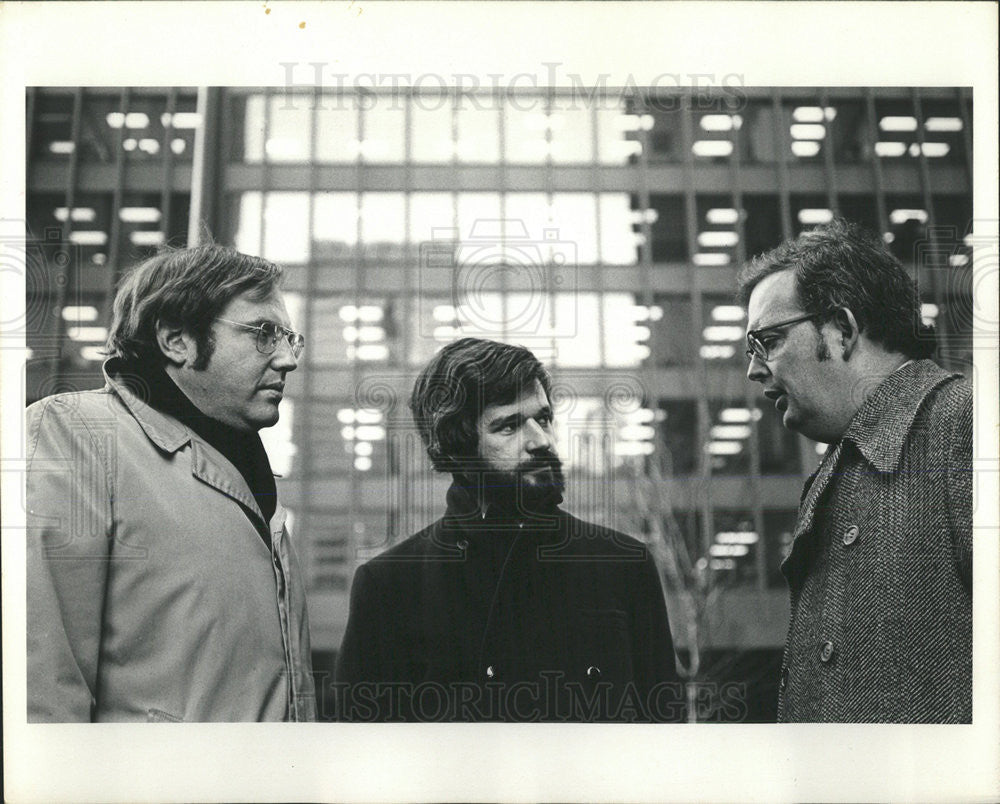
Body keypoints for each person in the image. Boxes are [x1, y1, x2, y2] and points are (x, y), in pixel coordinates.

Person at [26, 244, 316, 722]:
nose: (288, 359)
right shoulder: (77, 433)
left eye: (290, 338)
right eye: (264, 334)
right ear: (177, 340)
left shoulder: (250, 476)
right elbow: (39, 687)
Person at [335, 337, 683, 722]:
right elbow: (362, 759)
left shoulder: (623, 566)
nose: (541, 441)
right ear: (457, 448)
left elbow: (664, 743)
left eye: (544, 418)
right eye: (509, 426)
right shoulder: (389, 587)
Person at [738, 218, 972, 723]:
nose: (754, 369)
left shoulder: (965, 424)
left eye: (768, 341)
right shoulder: (840, 467)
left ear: (841, 330)